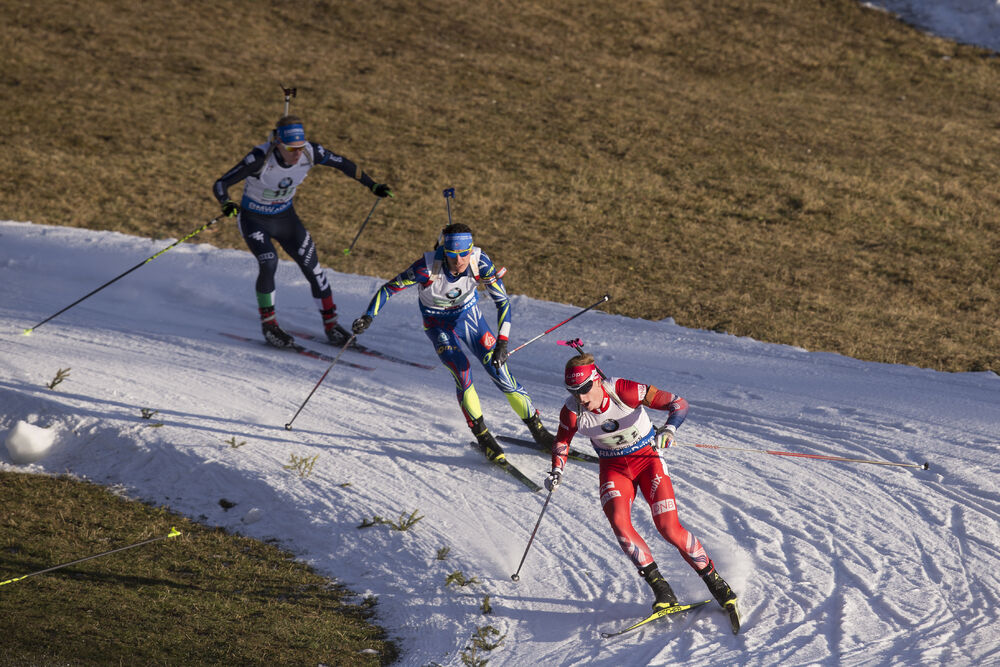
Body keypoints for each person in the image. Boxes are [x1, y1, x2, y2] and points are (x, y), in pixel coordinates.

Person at [546, 352, 740, 629]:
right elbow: (561, 442)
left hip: (648, 461)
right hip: (614, 469)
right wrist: (557, 470)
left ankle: (716, 583)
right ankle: (662, 591)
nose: (581, 397)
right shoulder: (572, 411)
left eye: (585, 389)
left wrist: (669, 429)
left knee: (668, 527)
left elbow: (679, 404)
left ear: (597, 380)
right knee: (619, 523)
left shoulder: (623, 390)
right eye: (573, 391)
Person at [351, 223, 553, 457]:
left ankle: (539, 431)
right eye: (452, 255)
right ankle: (483, 436)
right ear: (443, 252)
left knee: (500, 372)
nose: (459, 262)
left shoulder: (481, 262)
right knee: (462, 371)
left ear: (471, 249)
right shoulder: (426, 268)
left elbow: (503, 302)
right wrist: (368, 317)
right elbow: (389, 289)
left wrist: (503, 342)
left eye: (464, 254)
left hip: (470, 318)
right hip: (438, 324)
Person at [213, 114, 393, 348]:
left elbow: (344, 164)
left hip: (286, 219)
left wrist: (373, 185)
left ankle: (331, 325)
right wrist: (226, 202)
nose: (297, 153)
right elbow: (221, 183)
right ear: (277, 142)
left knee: (313, 268)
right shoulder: (260, 157)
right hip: (254, 220)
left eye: (299, 147)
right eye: (291, 148)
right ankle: (269, 325)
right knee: (269, 263)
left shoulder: (311, 152)